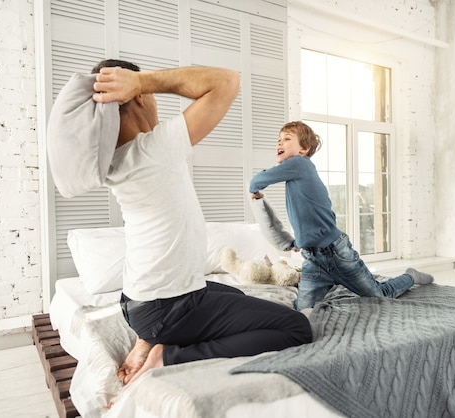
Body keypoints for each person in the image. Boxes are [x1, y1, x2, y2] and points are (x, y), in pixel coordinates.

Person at [91, 60, 312, 386]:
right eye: (148, 93)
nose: (153, 99)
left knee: (236, 295)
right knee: (297, 327)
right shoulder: (153, 149)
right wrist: (142, 81)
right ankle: (165, 356)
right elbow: (227, 79)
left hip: (138, 303)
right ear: (138, 96)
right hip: (168, 309)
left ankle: (145, 339)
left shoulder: (116, 157)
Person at [249, 121, 434, 311]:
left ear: (303, 149)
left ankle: (411, 276)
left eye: (287, 139)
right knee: (303, 310)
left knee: (380, 294)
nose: (279, 143)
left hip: (337, 254)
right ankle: (332, 283)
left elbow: (257, 180)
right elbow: (307, 217)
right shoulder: (295, 174)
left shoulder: (299, 164)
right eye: (278, 140)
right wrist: (300, 242)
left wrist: (254, 191)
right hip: (313, 260)